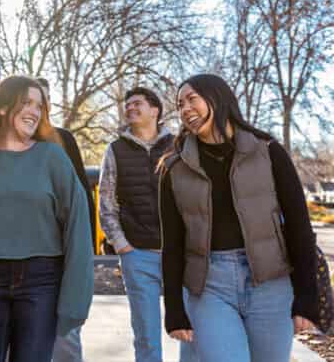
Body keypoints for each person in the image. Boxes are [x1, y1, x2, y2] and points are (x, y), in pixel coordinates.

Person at [159, 74, 318, 362]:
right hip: (209, 285)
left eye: (192, 99)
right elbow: (172, 243)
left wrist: (307, 295)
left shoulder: (267, 151)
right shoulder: (174, 168)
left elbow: (299, 226)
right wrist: (174, 308)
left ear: (218, 99)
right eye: (180, 104)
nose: (184, 109)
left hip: (270, 282)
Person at [0, 75, 94, 362]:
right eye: (27, 103)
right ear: (2, 107)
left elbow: (78, 228)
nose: (35, 111)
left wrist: (76, 298)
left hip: (42, 283)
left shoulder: (54, 158)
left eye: (39, 105)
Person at [98, 87, 179, 362]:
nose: (130, 107)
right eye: (127, 104)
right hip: (138, 256)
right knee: (146, 334)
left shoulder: (179, 145)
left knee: (194, 329)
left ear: (155, 110)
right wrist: (121, 244)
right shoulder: (115, 149)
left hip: (180, 255)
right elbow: (106, 201)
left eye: (137, 103)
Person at [36, 77, 96, 362]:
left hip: (60, 252)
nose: (39, 106)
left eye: (45, 99)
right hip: (13, 259)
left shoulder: (63, 139)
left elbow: (83, 196)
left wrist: (85, 248)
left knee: (65, 339)